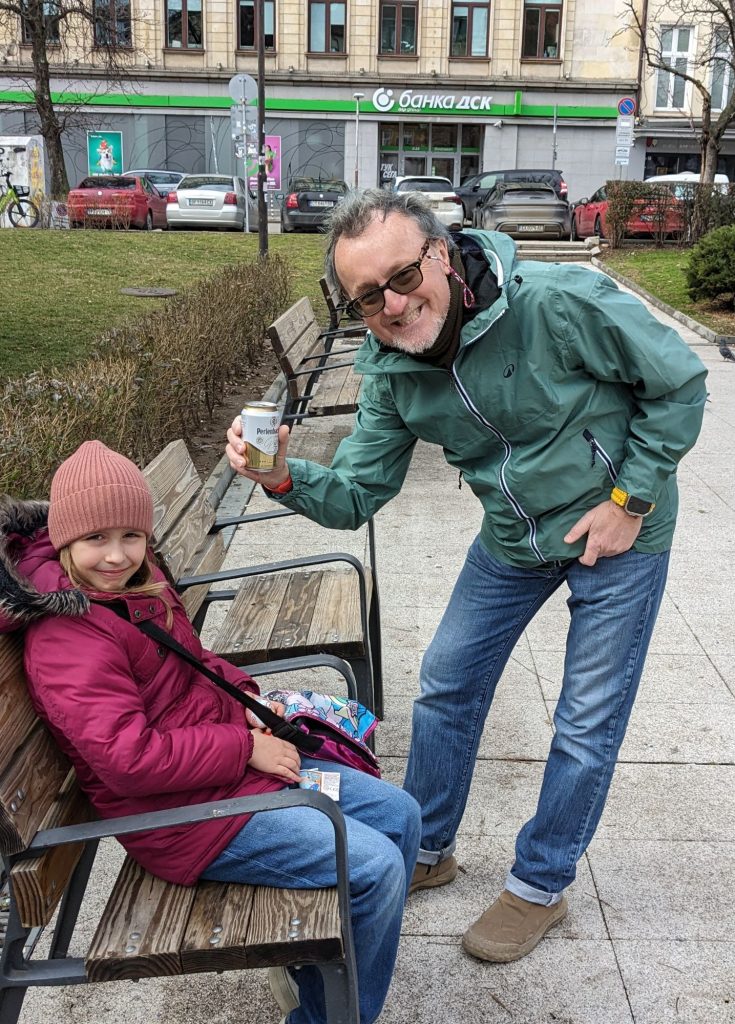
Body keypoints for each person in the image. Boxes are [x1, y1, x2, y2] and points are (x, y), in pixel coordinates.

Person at [225, 188, 708, 964]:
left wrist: (630, 499)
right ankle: (425, 845)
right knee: (446, 682)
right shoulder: (391, 370)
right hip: (514, 538)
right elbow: (356, 494)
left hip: (618, 529)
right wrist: (281, 476)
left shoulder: (555, 301)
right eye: (367, 296)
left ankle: (539, 884)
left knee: (585, 720)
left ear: (443, 255)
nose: (392, 303)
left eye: (402, 275)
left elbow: (679, 382)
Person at [0, 440, 421, 1024]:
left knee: (402, 816)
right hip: (183, 819)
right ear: (66, 537)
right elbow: (127, 761)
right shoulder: (68, 636)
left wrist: (246, 696)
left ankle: (318, 977)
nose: (117, 555)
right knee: (374, 869)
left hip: (228, 774)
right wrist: (245, 747)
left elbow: (194, 658)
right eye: (96, 538)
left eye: (131, 535)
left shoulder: (136, 586)